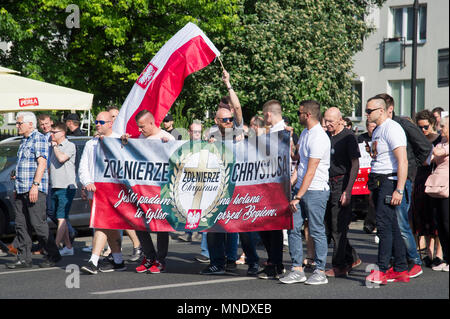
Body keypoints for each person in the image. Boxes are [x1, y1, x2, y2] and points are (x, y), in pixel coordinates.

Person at [201, 69, 258, 276]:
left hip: (238, 187)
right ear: (216, 121)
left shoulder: (237, 130)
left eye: (230, 120)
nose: (228, 123)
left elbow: (237, 106)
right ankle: (217, 262)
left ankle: (252, 261)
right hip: (217, 188)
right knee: (214, 227)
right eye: (224, 120)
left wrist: (228, 84)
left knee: (242, 229)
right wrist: (207, 145)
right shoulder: (210, 135)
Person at [377, 94, 432, 279]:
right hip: (389, 178)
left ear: (388, 108)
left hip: (404, 177)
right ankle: (399, 261)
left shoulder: (403, 124)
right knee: (393, 223)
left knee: (401, 223)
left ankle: (415, 261)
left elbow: (425, 146)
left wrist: (411, 166)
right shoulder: (383, 127)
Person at [281, 100, 330, 285]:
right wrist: (290, 184)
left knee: (316, 230)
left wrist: (299, 196)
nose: (298, 115)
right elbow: (299, 164)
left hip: (315, 190)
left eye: (299, 112)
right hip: (300, 188)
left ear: (307, 115)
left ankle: (320, 271)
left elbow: (311, 169)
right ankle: (296, 269)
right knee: (293, 227)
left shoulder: (319, 137)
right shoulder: (305, 133)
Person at [6, 112, 61, 269]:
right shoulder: (24, 141)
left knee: (38, 224)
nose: (17, 126)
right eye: (17, 123)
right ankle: (24, 258)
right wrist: (17, 183)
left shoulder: (38, 139)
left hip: (34, 189)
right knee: (21, 225)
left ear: (30, 124)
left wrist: (35, 185)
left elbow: (42, 164)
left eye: (19, 123)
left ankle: (53, 254)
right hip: (21, 189)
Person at [364, 96, 410, 285]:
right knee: (390, 225)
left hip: (388, 182)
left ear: (381, 111)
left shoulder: (392, 128)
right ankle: (400, 268)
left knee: (383, 226)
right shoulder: (378, 130)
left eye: (370, 111)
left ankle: (382, 270)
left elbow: (403, 161)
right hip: (378, 180)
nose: (366, 115)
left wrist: (399, 189)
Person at [79, 112, 125, 274]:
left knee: (101, 223)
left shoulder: (120, 140)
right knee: (109, 226)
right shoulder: (91, 143)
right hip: (96, 192)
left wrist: (127, 142)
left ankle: (93, 261)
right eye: (96, 121)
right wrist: (87, 182)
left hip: (113, 192)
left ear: (110, 123)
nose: (97, 124)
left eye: (101, 122)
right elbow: (83, 166)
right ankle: (118, 260)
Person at [129, 110, 175, 274]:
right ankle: (149, 256)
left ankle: (161, 260)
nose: (140, 130)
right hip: (142, 189)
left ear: (151, 123)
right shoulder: (141, 138)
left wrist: (167, 147)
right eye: (138, 127)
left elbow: (176, 162)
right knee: (139, 222)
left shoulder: (167, 138)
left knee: (162, 225)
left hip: (161, 189)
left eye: (142, 127)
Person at [322, 107, 361, 278]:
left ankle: (339, 265)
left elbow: (355, 164)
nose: (327, 124)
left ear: (340, 120)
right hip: (328, 183)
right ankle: (352, 257)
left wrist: (348, 190)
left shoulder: (348, 137)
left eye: (330, 121)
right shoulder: (326, 136)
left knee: (339, 226)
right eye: (325, 120)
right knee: (329, 226)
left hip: (341, 182)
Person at [256, 99, 289, 280]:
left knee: (273, 227)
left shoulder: (284, 133)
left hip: (277, 186)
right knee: (264, 226)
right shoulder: (272, 133)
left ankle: (276, 264)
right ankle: (273, 261)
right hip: (266, 185)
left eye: (264, 115)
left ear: (268, 114)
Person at [106, 105, 142, 262]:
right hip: (110, 181)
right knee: (111, 218)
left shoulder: (123, 135)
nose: (114, 119)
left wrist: (125, 142)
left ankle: (137, 244)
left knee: (125, 216)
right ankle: (112, 250)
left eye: (115, 116)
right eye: (111, 117)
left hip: (124, 181)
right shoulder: (106, 135)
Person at [412, 109, 443, 268]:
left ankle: (439, 253)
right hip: (421, 180)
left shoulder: (440, 139)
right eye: (420, 127)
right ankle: (429, 252)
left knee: (436, 218)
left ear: (432, 124)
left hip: (437, 181)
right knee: (424, 218)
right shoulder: (418, 140)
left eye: (425, 127)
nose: (423, 130)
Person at [49, 122, 77, 256]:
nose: (51, 135)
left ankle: (53, 248)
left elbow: (61, 158)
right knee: (61, 217)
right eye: (51, 132)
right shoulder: (52, 147)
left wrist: (55, 147)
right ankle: (69, 247)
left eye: (54, 132)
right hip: (54, 186)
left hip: (66, 186)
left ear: (62, 133)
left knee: (61, 217)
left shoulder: (69, 146)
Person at [429, 116, 449, 272]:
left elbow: (436, 152)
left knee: (447, 223)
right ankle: (446, 258)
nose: (440, 128)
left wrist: (435, 151)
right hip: (437, 186)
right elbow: (430, 158)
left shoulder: (442, 146)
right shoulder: (441, 142)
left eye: (443, 126)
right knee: (440, 223)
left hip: (447, 187)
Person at [358, 120, 378, 236]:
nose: (373, 128)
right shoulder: (361, 137)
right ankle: (370, 221)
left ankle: (371, 223)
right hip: (364, 172)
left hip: (374, 171)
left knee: (372, 198)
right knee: (368, 198)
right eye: (371, 126)